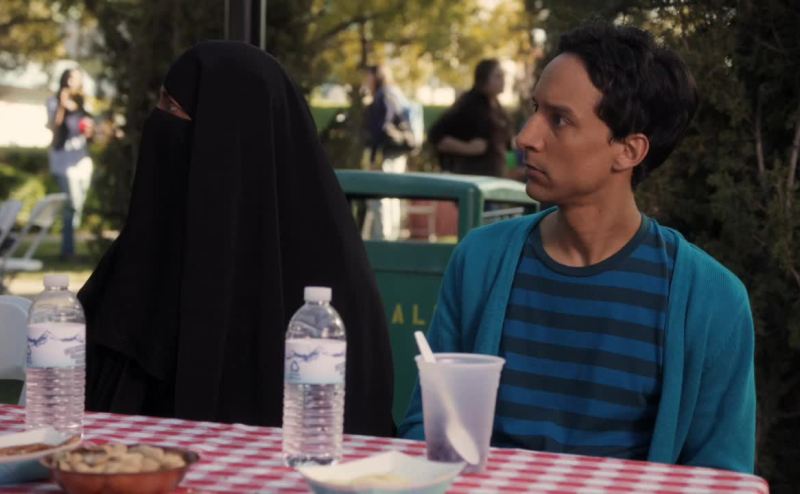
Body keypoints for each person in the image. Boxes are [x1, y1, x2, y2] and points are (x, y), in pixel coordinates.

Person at [400, 23, 755, 473]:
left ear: (628, 151)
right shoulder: (480, 262)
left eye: (559, 119)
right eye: (535, 109)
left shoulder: (713, 300)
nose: (526, 137)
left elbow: (720, 475)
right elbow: (425, 430)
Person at [77, 41, 395, 437]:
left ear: (227, 137)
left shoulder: (330, 290)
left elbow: (354, 427)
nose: (158, 121)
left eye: (172, 108)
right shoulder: (146, 255)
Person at [428, 59, 512, 177]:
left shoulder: (498, 109)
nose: (503, 80)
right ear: (484, 79)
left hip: (495, 175)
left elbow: (507, 146)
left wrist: (512, 167)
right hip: (471, 174)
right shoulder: (469, 104)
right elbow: (436, 136)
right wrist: (468, 148)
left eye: (503, 76)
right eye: (498, 76)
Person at [46, 68, 94, 259]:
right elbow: (55, 126)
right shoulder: (53, 101)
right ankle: (67, 250)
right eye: (69, 78)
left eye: (76, 79)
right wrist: (62, 105)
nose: (72, 82)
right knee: (71, 204)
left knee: (78, 205)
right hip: (63, 161)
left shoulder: (84, 104)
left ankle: (70, 243)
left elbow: (89, 131)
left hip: (82, 160)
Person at [361, 65, 411, 240]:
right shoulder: (392, 93)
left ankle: (384, 238)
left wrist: (374, 156)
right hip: (394, 154)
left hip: (387, 154)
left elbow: (382, 127)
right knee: (391, 198)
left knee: (382, 198)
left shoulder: (384, 95)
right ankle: (390, 237)